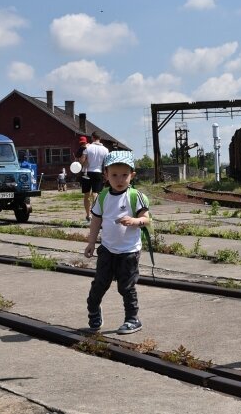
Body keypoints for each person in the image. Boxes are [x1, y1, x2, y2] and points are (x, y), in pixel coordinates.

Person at [84, 150, 150, 335]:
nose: (119, 179)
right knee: (100, 283)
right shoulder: (103, 197)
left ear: (132, 175)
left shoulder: (135, 196)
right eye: (114, 175)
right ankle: (93, 309)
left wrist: (135, 221)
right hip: (107, 249)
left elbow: (147, 219)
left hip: (129, 251)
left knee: (126, 287)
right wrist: (91, 242)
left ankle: (132, 319)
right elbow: (96, 221)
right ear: (106, 175)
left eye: (124, 175)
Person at [80, 132, 109, 222]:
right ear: (100, 138)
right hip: (98, 172)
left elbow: (82, 161)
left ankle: (88, 215)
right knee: (96, 194)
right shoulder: (105, 150)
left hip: (87, 172)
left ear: (92, 137)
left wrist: (83, 162)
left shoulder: (88, 147)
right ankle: (95, 214)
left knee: (86, 194)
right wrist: (106, 175)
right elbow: (106, 164)